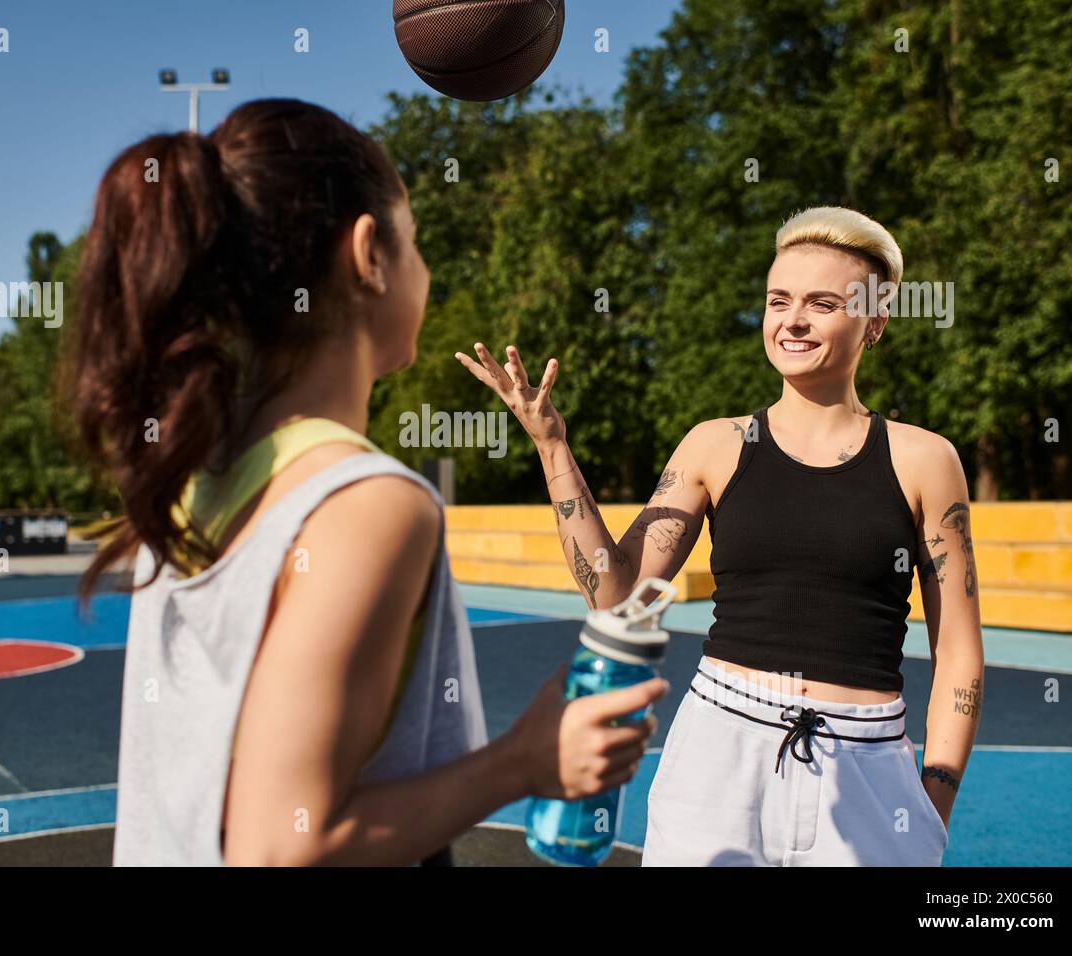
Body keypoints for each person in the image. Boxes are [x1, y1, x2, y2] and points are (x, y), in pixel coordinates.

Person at [65, 98, 667, 866]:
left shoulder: (182, 477)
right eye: (414, 242)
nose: (426, 267)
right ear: (368, 256)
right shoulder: (365, 505)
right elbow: (282, 849)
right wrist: (524, 761)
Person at [458, 206, 984, 866]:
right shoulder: (715, 445)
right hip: (718, 757)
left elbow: (959, 651)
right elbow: (616, 594)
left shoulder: (925, 460)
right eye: (778, 300)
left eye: (822, 303)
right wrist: (552, 447)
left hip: (870, 765)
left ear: (874, 322)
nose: (792, 320)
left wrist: (935, 795)